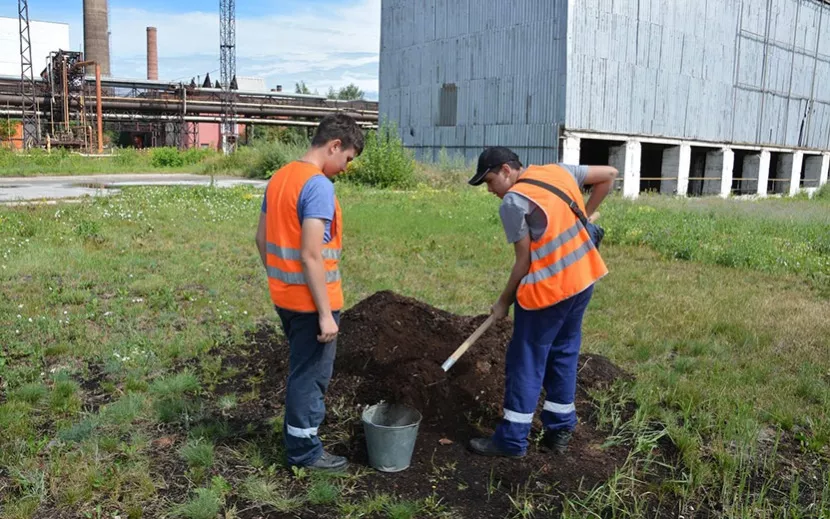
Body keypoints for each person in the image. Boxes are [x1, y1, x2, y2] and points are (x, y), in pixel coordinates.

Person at [466, 146, 617, 458]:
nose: (491, 190)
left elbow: (523, 262)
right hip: (583, 279)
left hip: (549, 291)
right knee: (563, 353)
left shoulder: (513, 201)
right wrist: (586, 214)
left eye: (491, 181)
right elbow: (609, 175)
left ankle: (512, 440)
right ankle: (559, 431)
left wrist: (502, 303)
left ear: (507, 170)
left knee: (527, 360)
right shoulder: (558, 171)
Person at [255, 113, 364, 470]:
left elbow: (261, 239)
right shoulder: (317, 185)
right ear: (334, 145)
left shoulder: (280, 178)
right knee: (310, 375)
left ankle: (301, 436)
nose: (346, 167)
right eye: (347, 158)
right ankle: (304, 453)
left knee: (302, 369)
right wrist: (323, 313)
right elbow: (312, 253)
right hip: (312, 302)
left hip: (284, 297)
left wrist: (280, 279)